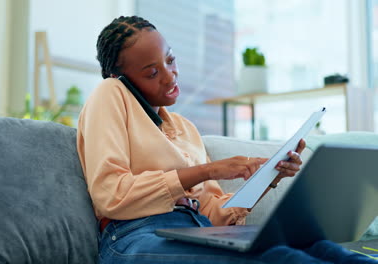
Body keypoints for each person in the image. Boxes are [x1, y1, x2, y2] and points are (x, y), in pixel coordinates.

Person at [77, 16, 374, 264]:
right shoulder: (110, 94)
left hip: (197, 230)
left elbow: (212, 215)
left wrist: (268, 177)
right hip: (135, 237)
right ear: (120, 77)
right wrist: (209, 170)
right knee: (282, 258)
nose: (170, 76)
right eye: (153, 72)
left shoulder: (184, 127)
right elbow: (111, 195)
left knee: (324, 248)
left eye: (170, 60)